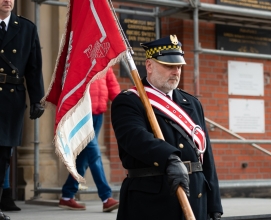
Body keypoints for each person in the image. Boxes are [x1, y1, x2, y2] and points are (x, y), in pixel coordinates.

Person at [111, 35, 223, 220]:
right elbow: (134, 137)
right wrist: (170, 158)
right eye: (169, 65)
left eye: (178, 66)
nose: (176, 71)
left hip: (196, 199)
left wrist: (214, 206)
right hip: (153, 203)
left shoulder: (192, 103)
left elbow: (206, 157)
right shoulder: (129, 101)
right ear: (149, 66)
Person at [0, 0, 45, 219]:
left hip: (11, 100)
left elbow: (34, 68)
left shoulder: (27, 28)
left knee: (2, 154)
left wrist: (37, 99)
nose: (7, 0)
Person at [59, 68, 120, 212]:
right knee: (94, 153)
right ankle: (106, 197)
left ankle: (67, 195)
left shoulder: (105, 63)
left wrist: (122, 105)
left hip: (98, 114)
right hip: (83, 114)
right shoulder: (82, 58)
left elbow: (112, 85)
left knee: (84, 157)